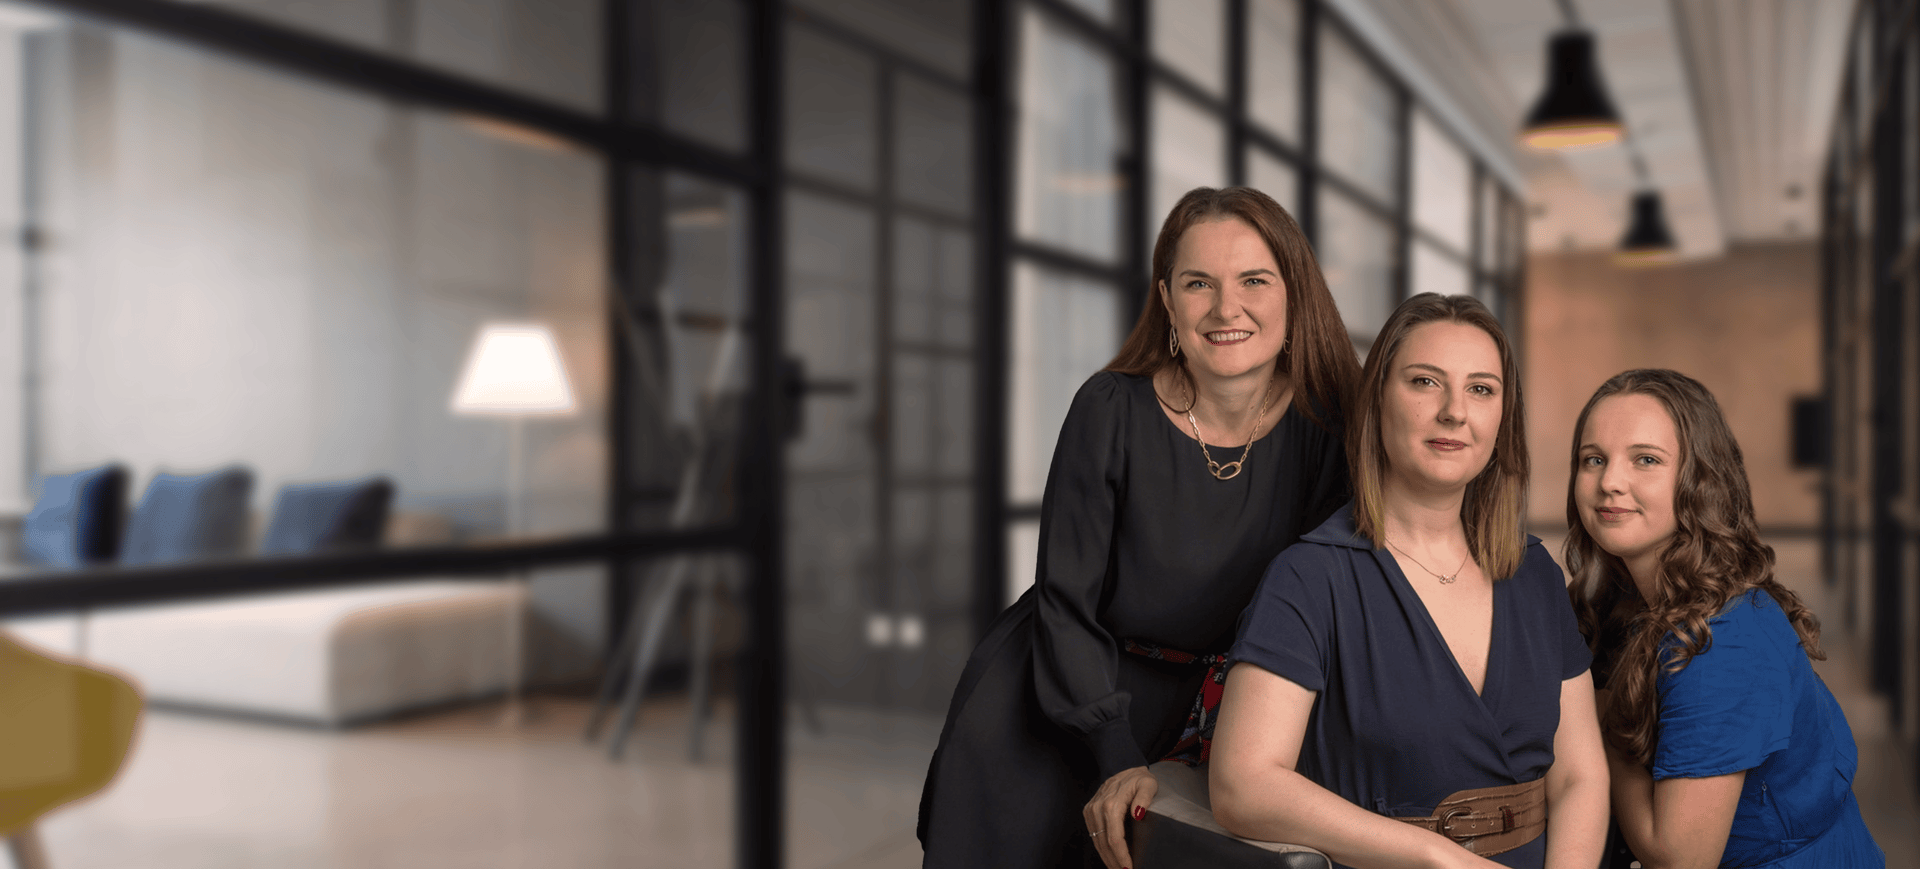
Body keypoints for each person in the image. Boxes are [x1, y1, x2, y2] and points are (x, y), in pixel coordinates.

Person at [917, 186, 1362, 869]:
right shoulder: (1109, 409)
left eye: (1253, 280)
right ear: (1166, 299)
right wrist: (1115, 750)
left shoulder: (1327, 430)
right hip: (1061, 696)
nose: (1225, 308)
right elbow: (1066, 601)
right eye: (1197, 283)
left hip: (1213, 710)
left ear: (1294, 293)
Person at [1210, 293, 1610, 869]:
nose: (1455, 411)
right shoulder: (1309, 578)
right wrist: (1434, 855)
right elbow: (1241, 787)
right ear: (1377, 404)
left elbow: (1579, 776)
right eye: (1425, 382)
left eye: (1481, 389)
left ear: (1502, 418)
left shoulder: (1535, 575)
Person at [1563, 369, 1884, 868]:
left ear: (1700, 480)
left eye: (1645, 460)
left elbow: (1678, 858)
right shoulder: (1625, 596)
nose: (1610, 482)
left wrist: (1599, 729)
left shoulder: (1723, 642)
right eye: (1593, 459)